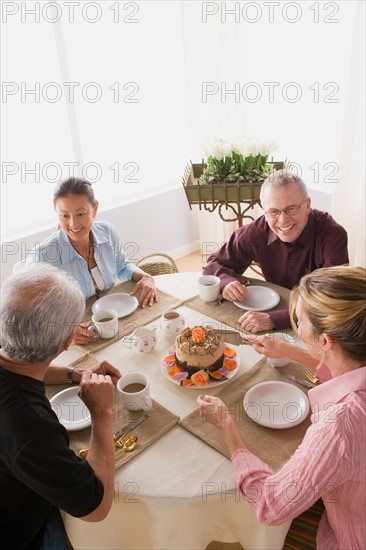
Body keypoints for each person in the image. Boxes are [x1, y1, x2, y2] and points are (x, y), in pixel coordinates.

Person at [197, 266, 366, 549]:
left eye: (298, 324)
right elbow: (346, 369)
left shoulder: (338, 428)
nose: (296, 330)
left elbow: (270, 505)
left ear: (325, 341)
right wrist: (290, 351)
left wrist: (228, 429)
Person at [0, 263, 122, 549]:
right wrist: (101, 413)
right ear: (69, 341)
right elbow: (96, 507)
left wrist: (74, 374)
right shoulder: (30, 427)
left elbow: (21, 362)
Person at [203, 170, 349, 332]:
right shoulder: (255, 232)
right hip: (271, 313)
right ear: (264, 212)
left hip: (317, 324)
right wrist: (226, 282)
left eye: (291, 208)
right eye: (273, 211)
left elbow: (331, 299)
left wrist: (274, 320)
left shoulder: (334, 235)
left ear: (307, 205)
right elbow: (214, 262)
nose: (283, 220)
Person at [26, 177, 158, 344]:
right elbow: (31, 313)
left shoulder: (107, 232)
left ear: (95, 209)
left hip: (113, 318)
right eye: (65, 215)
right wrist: (65, 332)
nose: (73, 223)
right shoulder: (43, 256)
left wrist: (145, 277)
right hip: (75, 335)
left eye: (81, 214)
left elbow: (122, 266)